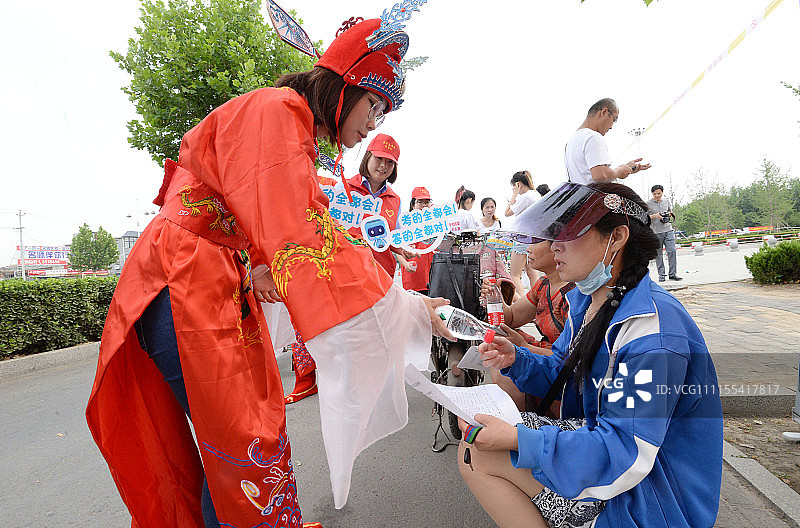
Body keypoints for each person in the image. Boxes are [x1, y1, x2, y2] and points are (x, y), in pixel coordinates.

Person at [85, 14, 451, 528]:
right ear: (342, 86)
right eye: (374, 105)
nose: (374, 124)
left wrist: (260, 263)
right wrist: (403, 304)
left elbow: (284, 220)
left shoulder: (286, 118)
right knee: (238, 441)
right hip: (188, 278)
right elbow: (303, 232)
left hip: (207, 274)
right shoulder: (279, 110)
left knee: (242, 436)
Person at [458, 182, 722, 528]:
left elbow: (627, 449)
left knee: (481, 451)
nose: (554, 247)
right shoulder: (589, 301)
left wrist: (520, 440)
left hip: (650, 498)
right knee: (476, 442)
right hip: (612, 452)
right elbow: (563, 369)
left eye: (568, 233)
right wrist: (517, 358)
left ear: (617, 238)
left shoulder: (653, 334)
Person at [482, 239, 574, 413]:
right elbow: (512, 317)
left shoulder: (574, 293)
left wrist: (524, 347)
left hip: (562, 365)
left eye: (536, 242)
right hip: (546, 352)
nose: (528, 249)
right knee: (500, 340)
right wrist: (495, 296)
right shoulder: (543, 285)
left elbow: (572, 357)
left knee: (505, 354)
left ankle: (520, 422)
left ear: (558, 246)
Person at [342, 133, 405, 277]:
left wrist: (403, 249)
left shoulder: (396, 200)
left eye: (390, 162)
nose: (383, 165)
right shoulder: (343, 189)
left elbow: (395, 238)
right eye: (379, 158)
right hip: (347, 275)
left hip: (382, 277)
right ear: (367, 156)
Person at [564, 98, 652, 184]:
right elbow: (600, 175)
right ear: (604, 112)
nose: (611, 127)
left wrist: (627, 168)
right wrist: (620, 170)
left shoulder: (571, 141)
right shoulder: (593, 136)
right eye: (614, 120)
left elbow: (587, 175)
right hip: (595, 197)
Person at [504, 170, 537, 297]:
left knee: (514, 274)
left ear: (518, 184)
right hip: (533, 239)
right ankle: (538, 304)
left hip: (522, 239)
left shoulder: (525, 197)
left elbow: (507, 212)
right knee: (532, 273)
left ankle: (521, 305)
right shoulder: (535, 194)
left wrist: (514, 195)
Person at [399, 186, 435, 295]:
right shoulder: (405, 224)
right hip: (414, 277)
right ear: (413, 204)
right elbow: (398, 250)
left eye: (427, 202)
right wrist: (406, 264)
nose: (424, 205)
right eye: (420, 202)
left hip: (434, 276)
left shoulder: (435, 224)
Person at [647, 184, 682, 282]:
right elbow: (645, 217)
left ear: (662, 192)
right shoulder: (648, 204)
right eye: (655, 194)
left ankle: (673, 274)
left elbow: (670, 211)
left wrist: (670, 214)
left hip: (668, 229)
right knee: (658, 254)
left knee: (672, 250)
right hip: (656, 232)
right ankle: (661, 275)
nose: (657, 195)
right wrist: (655, 216)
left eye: (659, 193)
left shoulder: (666, 201)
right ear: (652, 194)